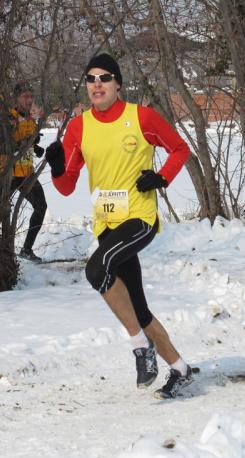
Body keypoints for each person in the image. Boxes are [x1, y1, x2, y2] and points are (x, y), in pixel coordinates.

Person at [45, 53, 193, 399]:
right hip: (107, 224)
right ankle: (181, 369)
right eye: (90, 78)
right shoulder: (80, 127)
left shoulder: (141, 117)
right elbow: (67, 186)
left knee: (97, 269)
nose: (96, 84)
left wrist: (160, 177)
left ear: (118, 84)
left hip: (139, 218)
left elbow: (179, 148)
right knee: (137, 308)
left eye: (104, 78)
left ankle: (141, 349)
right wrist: (55, 169)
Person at [0, 82, 46, 262]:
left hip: (26, 173)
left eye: (31, 96)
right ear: (17, 98)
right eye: (25, 96)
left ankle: (26, 249)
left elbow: (28, 141)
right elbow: (2, 146)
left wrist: (35, 147)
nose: (30, 100)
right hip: (7, 173)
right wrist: (25, 145)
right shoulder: (8, 117)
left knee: (41, 207)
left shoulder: (30, 119)